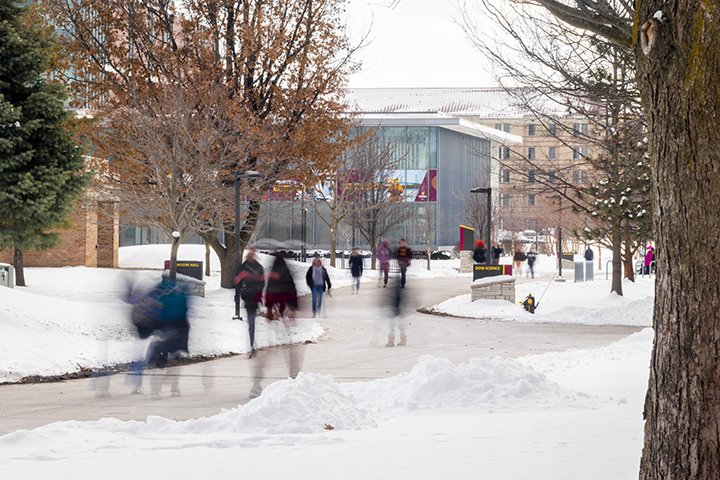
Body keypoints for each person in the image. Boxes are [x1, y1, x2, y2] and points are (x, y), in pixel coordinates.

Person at [146, 277, 190, 398]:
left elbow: (153, 313)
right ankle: (174, 389)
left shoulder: (159, 296)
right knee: (176, 361)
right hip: (179, 331)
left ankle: (155, 391)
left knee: (159, 361)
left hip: (163, 331)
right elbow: (185, 312)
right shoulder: (181, 297)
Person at [233, 246, 265, 356]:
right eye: (250, 254)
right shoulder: (244, 267)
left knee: (251, 323)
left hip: (254, 298)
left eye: (252, 254)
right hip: (248, 298)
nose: (251, 256)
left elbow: (262, 282)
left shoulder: (258, 267)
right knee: (251, 323)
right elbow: (237, 281)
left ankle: (252, 344)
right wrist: (241, 290)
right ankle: (251, 344)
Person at [265, 254, 299, 321]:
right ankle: (281, 313)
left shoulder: (274, 271)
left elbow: (270, 284)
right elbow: (290, 283)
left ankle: (272, 313)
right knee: (282, 303)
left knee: (275, 301)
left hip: (274, 292)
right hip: (283, 292)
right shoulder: (286, 271)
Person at [385, 276, 407, 347]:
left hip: (393, 311)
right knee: (401, 326)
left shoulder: (392, 292)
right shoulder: (401, 291)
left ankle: (391, 341)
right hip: (400, 311)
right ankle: (403, 340)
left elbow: (390, 300)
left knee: (392, 327)